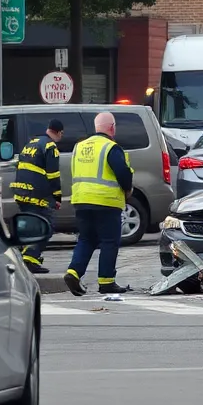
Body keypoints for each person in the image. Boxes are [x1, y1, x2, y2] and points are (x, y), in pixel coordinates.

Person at [64, 111, 134, 296]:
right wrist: (128, 189)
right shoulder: (111, 147)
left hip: (81, 200)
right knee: (109, 241)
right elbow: (123, 173)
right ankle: (106, 282)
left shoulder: (78, 147)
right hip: (106, 201)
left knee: (87, 239)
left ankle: (73, 272)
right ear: (112, 128)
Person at [9, 119, 64, 274]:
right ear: (59, 132)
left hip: (22, 191)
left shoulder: (32, 143)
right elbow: (53, 175)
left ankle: (24, 256)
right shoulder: (50, 146)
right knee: (45, 225)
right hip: (36, 194)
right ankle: (30, 259)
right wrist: (57, 197)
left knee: (29, 225)